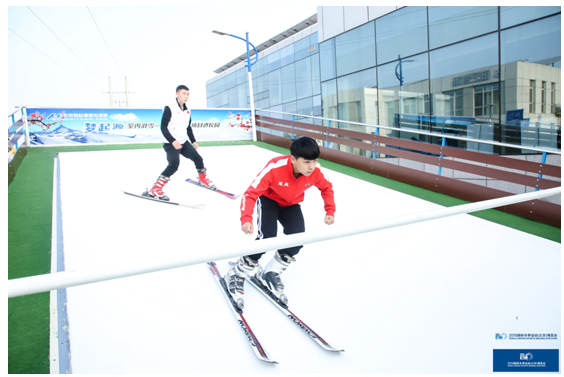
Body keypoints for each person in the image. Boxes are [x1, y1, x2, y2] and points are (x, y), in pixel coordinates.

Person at [225, 137, 335, 309]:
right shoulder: (274, 167)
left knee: (297, 240)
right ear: (293, 159)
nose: (311, 166)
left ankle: (271, 272)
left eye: (314, 161)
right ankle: (237, 272)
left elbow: (327, 188)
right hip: (269, 200)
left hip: (291, 204)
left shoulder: (316, 172)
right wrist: (246, 218)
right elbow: (250, 193)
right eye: (306, 162)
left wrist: (330, 210)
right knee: (268, 237)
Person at [143, 85, 216, 201]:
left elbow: (188, 127)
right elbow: (163, 126)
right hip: (170, 143)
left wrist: (193, 141)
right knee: (173, 165)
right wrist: (173, 141)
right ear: (177, 94)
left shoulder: (187, 110)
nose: (186, 96)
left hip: (183, 141)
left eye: (188, 94)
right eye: (183, 93)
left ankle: (203, 180)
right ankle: (155, 189)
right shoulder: (169, 107)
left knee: (198, 159)